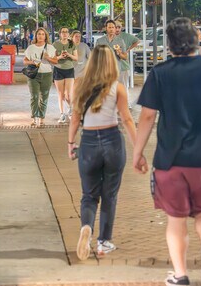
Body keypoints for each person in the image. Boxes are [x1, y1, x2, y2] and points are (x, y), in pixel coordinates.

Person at [133, 17, 201, 286]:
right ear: (197, 40)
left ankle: (180, 275)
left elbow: (147, 116)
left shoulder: (160, 73)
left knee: (176, 218)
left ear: (169, 45)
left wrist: (138, 151)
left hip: (171, 159)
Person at [68, 44, 137, 260]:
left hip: (88, 142)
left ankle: (86, 227)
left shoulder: (79, 85)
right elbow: (126, 118)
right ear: (111, 63)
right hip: (112, 140)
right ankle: (103, 241)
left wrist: (71, 143)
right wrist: (138, 147)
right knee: (109, 195)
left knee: (89, 195)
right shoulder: (117, 88)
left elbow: (75, 118)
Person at [23, 27, 58, 127]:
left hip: (47, 74)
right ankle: (34, 118)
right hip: (33, 75)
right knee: (34, 96)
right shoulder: (31, 47)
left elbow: (55, 61)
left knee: (44, 97)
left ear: (45, 36)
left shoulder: (50, 48)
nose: (41, 36)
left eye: (43, 34)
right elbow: (25, 61)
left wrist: (48, 58)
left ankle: (42, 117)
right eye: (39, 34)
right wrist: (32, 61)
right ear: (36, 36)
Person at [53, 27, 78, 123]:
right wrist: (60, 56)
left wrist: (69, 55)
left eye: (66, 32)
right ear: (60, 33)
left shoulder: (72, 44)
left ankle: (71, 109)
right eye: (63, 32)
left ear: (69, 34)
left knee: (68, 94)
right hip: (58, 69)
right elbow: (53, 58)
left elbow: (76, 58)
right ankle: (62, 114)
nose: (65, 33)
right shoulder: (56, 44)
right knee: (60, 94)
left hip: (69, 70)